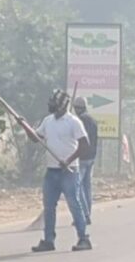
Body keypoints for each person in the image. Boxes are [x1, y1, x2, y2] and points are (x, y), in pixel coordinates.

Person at [24, 89, 92, 252]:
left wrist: (68, 160)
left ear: (63, 106)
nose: (52, 107)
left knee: (74, 204)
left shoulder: (73, 122)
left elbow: (84, 144)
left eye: (55, 104)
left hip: (69, 171)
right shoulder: (48, 121)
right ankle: (49, 240)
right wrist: (25, 126)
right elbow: (36, 138)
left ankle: (83, 238)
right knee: (49, 206)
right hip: (52, 171)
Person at [72, 96, 99, 225]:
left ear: (79, 108)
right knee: (87, 187)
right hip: (91, 157)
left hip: (82, 158)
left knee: (78, 187)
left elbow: (79, 140)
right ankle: (87, 213)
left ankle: (84, 215)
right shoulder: (93, 120)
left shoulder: (79, 121)